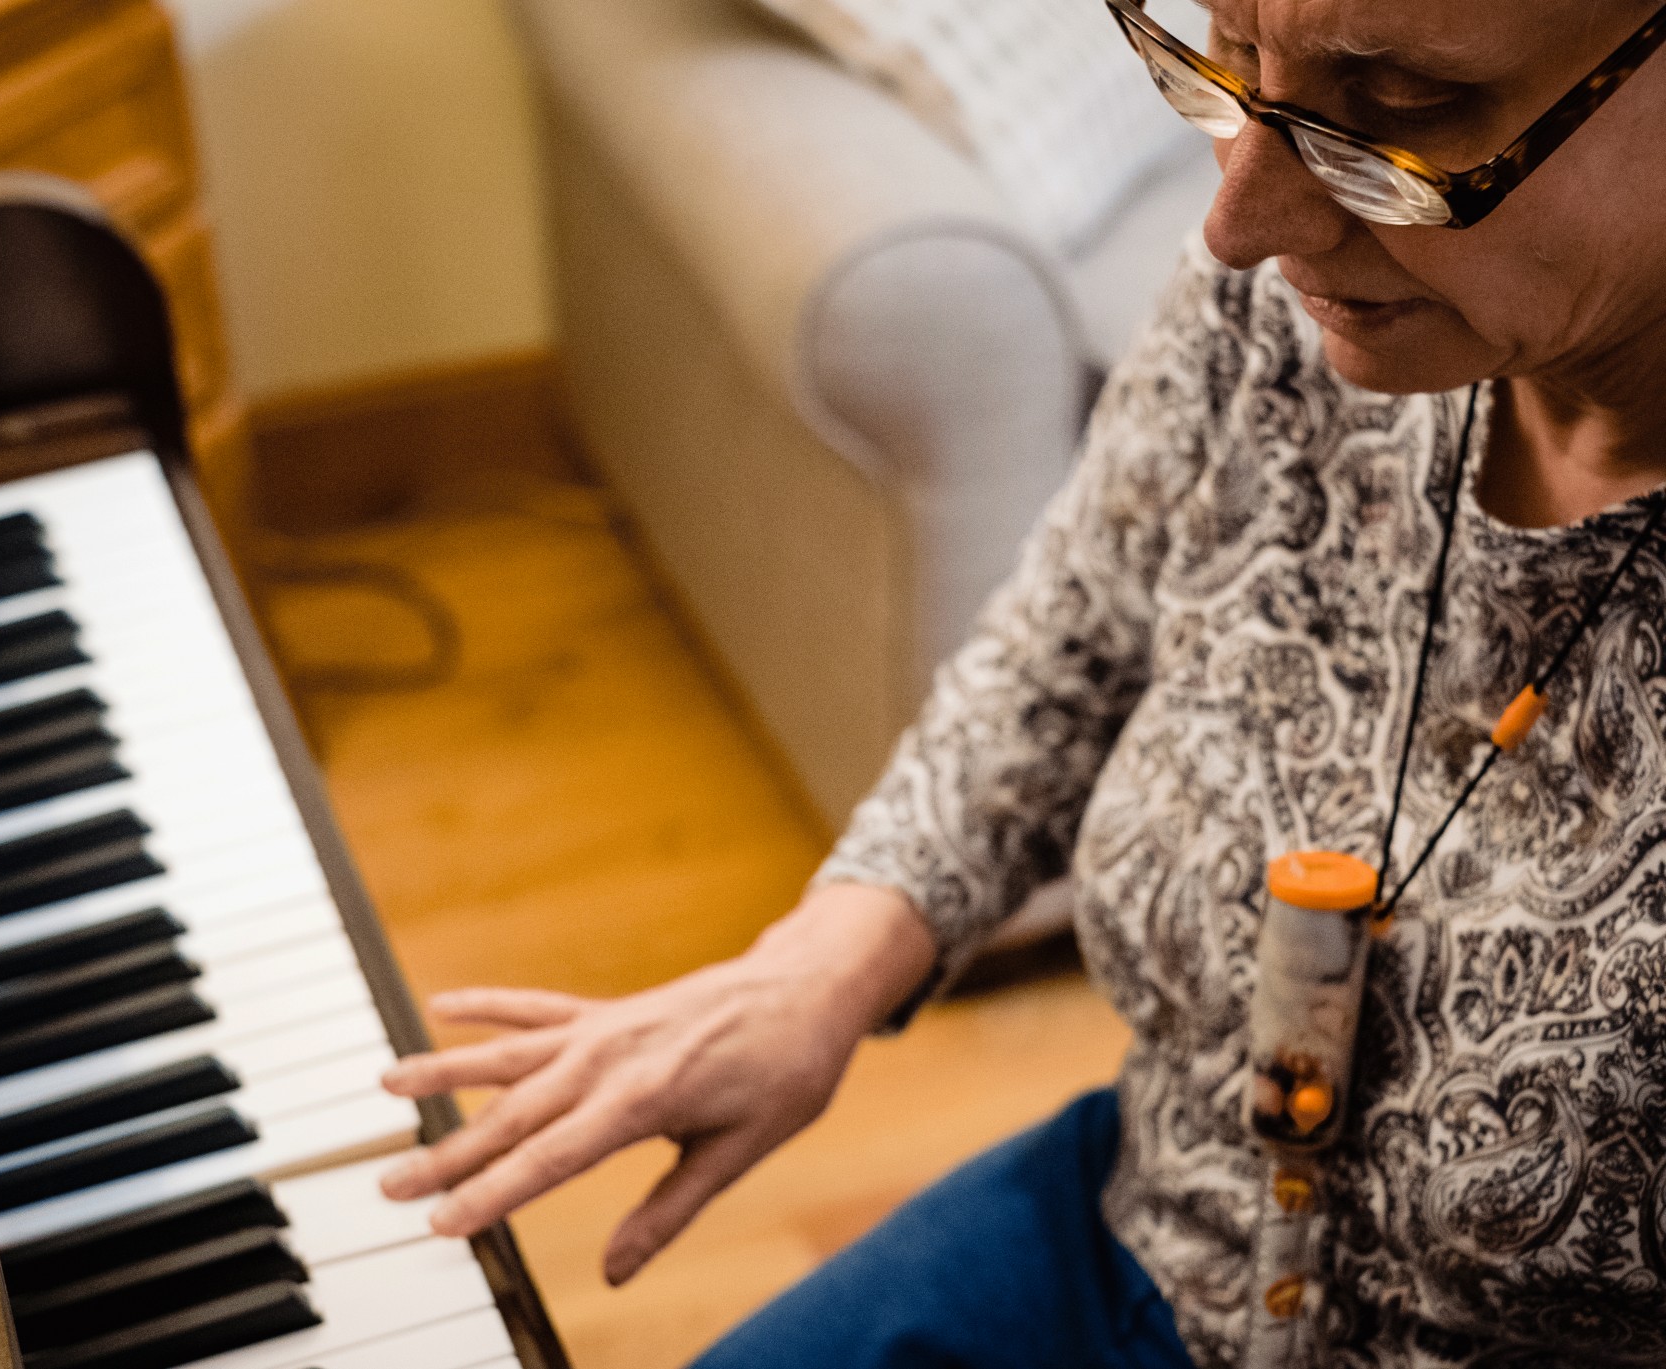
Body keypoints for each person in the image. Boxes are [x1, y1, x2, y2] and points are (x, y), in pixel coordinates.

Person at [378, 0, 1666, 1363]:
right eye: (1226, 56)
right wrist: (825, 962)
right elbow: (1081, 621)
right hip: (1147, 1219)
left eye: (1401, 105)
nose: (1240, 222)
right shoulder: (1298, 295)